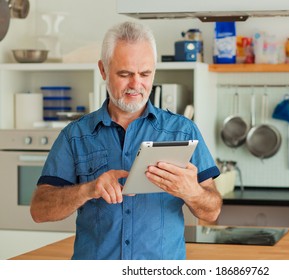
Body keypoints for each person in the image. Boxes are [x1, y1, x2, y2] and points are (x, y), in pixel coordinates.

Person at [30, 21, 222, 260]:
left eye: (145, 74)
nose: (136, 84)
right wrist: (88, 190)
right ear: (103, 70)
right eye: (124, 74)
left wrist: (192, 191)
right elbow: (39, 210)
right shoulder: (75, 136)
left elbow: (212, 211)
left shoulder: (182, 131)